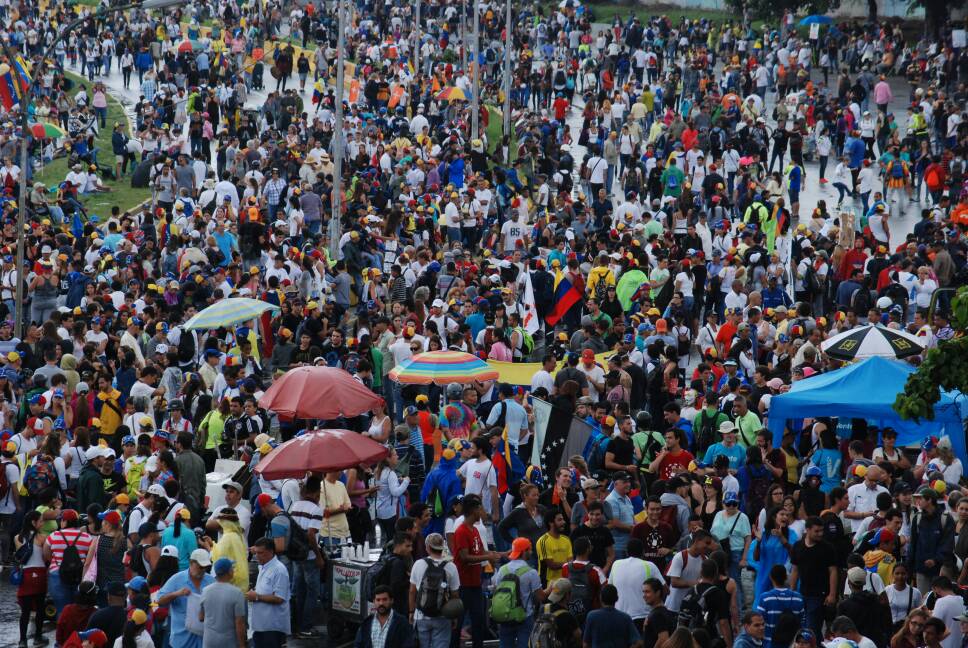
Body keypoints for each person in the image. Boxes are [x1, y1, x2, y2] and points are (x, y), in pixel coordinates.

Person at [408, 532, 460, 648]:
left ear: (427, 547)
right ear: (443, 548)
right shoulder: (451, 567)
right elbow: (455, 595)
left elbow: (412, 591)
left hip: (421, 615)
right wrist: (454, 616)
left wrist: (411, 611)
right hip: (443, 616)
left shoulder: (418, 564)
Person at [492, 537, 546, 647]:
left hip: (506, 614)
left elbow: (495, 589)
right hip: (525, 616)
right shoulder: (531, 572)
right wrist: (551, 588)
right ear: (524, 552)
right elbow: (541, 597)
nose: (531, 552)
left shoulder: (503, 569)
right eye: (529, 549)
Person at [156, 549, 216, 648]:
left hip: (205, 640)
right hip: (181, 641)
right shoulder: (176, 579)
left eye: (205, 567)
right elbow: (159, 601)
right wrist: (176, 594)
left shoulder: (211, 581)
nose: (202, 570)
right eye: (200, 567)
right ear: (191, 563)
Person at [609, 538, 665, 628]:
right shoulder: (650, 566)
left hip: (619, 617)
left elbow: (610, 588)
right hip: (642, 618)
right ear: (643, 552)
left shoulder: (616, 564)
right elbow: (665, 590)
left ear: (627, 552)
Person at [199, 558, 247, 648]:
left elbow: (201, 617)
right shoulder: (237, 593)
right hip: (228, 642)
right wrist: (242, 645)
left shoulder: (205, 590)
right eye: (232, 568)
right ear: (229, 572)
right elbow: (239, 623)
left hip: (209, 641)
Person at [757, 564, 805, 648]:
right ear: (786, 577)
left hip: (770, 643)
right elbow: (803, 622)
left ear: (771, 578)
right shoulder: (798, 598)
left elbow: (760, 621)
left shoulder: (765, 598)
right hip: (793, 643)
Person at [582, 584, 643, 648]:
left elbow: (586, 644)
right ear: (617, 598)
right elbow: (638, 643)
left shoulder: (592, 616)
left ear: (601, 598)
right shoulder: (625, 618)